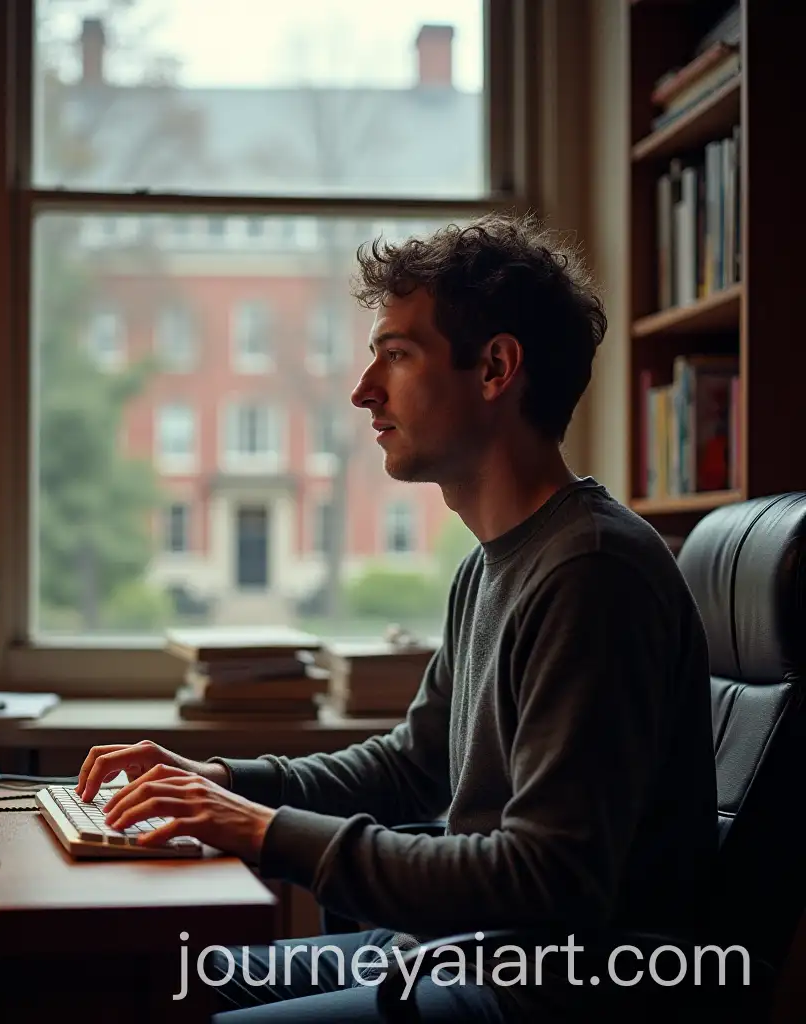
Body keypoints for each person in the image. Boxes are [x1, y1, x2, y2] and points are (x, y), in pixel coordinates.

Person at [75, 213, 718, 1022]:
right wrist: (229, 785)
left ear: (495, 367)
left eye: (398, 354)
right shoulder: (493, 563)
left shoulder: (592, 572)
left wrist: (266, 832)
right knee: (158, 981)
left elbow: (550, 878)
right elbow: (414, 766)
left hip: (556, 988)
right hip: (470, 948)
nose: (363, 389)